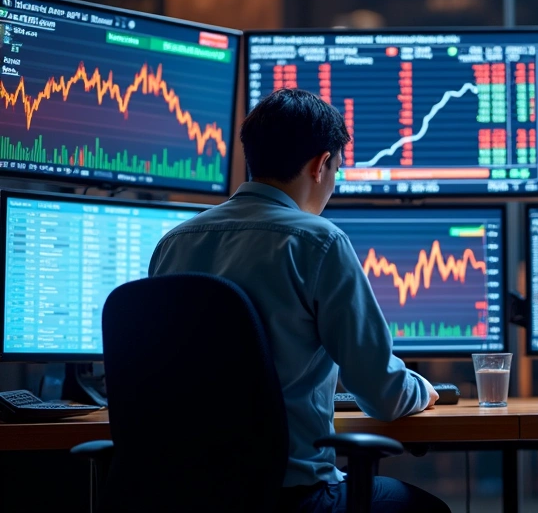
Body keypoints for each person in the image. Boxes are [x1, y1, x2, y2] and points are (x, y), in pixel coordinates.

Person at [149, 89, 450, 513]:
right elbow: (383, 395)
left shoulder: (173, 243)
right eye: (336, 170)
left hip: (181, 495)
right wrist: (424, 389)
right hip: (294, 495)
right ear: (320, 164)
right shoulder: (318, 241)